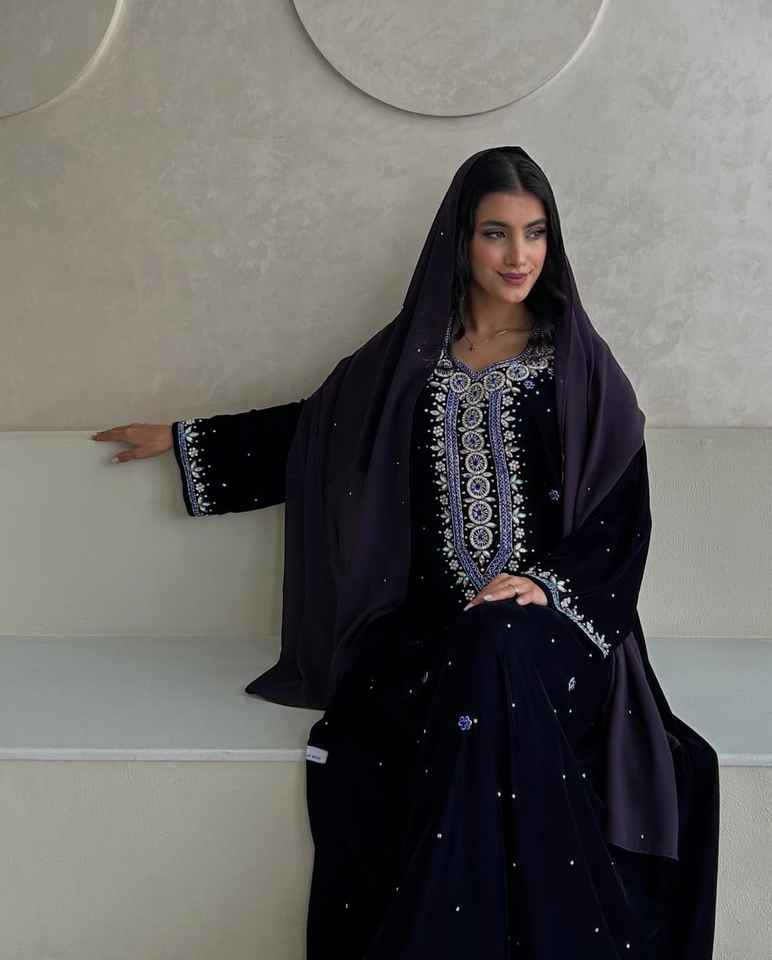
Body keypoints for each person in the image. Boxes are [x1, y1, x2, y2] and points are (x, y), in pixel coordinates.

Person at [93, 146, 720, 959]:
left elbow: (622, 521)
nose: (519, 255)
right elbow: (317, 432)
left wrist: (543, 584)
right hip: (432, 632)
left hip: (557, 631)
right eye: (496, 233)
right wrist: (187, 441)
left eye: (535, 233)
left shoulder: (580, 371)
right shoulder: (410, 365)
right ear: (461, 240)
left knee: (494, 644)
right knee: (456, 664)